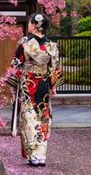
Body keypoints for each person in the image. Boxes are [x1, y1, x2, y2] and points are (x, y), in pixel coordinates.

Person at [6, 12, 64, 167]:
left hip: (28, 84)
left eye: (30, 23)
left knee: (29, 118)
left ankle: (33, 155)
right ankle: (41, 155)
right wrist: (53, 86)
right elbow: (55, 67)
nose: (29, 26)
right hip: (44, 84)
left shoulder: (24, 42)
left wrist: (14, 85)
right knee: (43, 117)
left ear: (33, 25)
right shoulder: (51, 45)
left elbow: (16, 64)